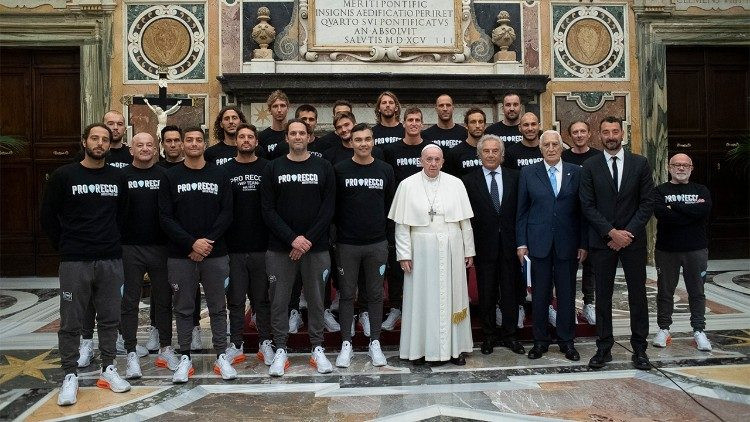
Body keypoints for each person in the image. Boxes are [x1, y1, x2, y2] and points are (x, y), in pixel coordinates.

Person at [41, 123, 131, 406]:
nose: (100, 143)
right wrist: (65, 245)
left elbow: (123, 216)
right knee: (71, 321)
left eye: (104, 139)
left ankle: (109, 368)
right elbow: (48, 216)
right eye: (94, 138)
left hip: (109, 259)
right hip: (75, 260)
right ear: (84, 142)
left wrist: (110, 240)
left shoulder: (118, 177)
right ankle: (70, 375)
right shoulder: (64, 175)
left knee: (110, 318)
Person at [158, 126, 237, 383]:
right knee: (183, 307)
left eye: (198, 140)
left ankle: (221, 356)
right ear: (182, 144)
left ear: (205, 144)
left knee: (218, 307)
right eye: (189, 140)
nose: (193, 143)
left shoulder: (220, 174)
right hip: (181, 254)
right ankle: (185, 357)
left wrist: (206, 243)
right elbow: (165, 217)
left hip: (215, 252)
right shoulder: (170, 176)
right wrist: (191, 244)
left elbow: (227, 213)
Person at [261, 119, 336, 377]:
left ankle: (317, 347)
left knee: (316, 300)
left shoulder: (323, 167)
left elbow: (328, 209)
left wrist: (306, 241)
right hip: (280, 248)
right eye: (292, 133)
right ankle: (280, 348)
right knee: (279, 301)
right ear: (286, 138)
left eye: (301, 133)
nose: (297, 137)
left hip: (316, 247)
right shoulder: (273, 167)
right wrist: (292, 239)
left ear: (309, 137)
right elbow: (268, 210)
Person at [388, 144, 475, 366]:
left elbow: (465, 222)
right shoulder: (407, 185)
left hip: (452, 247)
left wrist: (469, 250)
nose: (433, 163)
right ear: (421, 161)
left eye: (437, 159)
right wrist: (404, 254)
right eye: (429, 159)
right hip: (421, 250)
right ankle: (420, 350)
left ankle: (456, 350)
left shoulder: (456, 184)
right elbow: (402, 226)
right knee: (421, 299)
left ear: (443, 161)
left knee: (453, 298)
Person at [579, 116, 654, 371]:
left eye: (615, 131)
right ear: (599, 135)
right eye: (606, 132)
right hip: (603, 242)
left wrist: (626, 234)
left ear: (623, 134)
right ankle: (603, 348)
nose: (611, 136)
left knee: (638, 296)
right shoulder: (590, 166)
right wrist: (611, 233)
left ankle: (640, 349)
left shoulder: (640, 163)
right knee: (603, 296)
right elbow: (587, 205)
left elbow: (647, 203)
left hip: (632, 241)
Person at [517, 130, 587, 361]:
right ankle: (540, 341)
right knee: (540, 295)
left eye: (554, 144)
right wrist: (521, 243)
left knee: (567, 294)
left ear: (561, 147)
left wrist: (583, 243)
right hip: (538, 243)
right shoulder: (528, 173)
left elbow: (583, 211)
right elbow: (522, 211)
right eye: (546, 145)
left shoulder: (576, 172)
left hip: (568, 243)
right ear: (540, 149)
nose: (550, 148)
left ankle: (567, 341)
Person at [333, 123, 395, 368]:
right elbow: (334, 207)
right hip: (347, 244)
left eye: (367, 139)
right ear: (351, 142)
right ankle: (346, 343)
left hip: (377, 243)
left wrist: (388, 239)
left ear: (373, 141)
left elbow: (390, 206)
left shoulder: (385, 169)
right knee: (347, 294)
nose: (363, 144)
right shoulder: (339, 170)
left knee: (376, 294)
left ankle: (375, 342)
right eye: (358, 140)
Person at [119, 133, 176, 380]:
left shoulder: (166, 175)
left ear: (156, 149)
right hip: (129, 247)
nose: (144, 148)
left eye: (149, 145)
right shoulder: (121, 176)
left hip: (160, 247)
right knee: (130, 301)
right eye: (139, 145)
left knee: (163, 299)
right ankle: (131, 351)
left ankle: (166, 348)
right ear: (131, 150)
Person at [462, 134, 525, 356]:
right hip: (483, 245)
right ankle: (488, 336)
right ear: (479, 155)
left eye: (495, 151)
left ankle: (510, 335)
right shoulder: (468, 181)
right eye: (486, 151)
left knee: (510, 291)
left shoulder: (516, 177)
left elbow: (521, 211)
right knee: (486, 292)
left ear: (502, 154)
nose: (490, 155)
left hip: (511, 244)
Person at [222, 124, 275, 366]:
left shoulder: (268, 167)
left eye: (250, 137)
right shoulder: (224, 170)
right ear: (236, 141)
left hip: (262, 245)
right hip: (233, 246)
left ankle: (265, 342)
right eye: (241, 136)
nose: (245, 140)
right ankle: (236, 344)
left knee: (262, 299)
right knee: (235, 300)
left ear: (256, 141)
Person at [652, 153, 712, 351]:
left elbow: (703, 212)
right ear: (669, 167)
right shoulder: (660, 191)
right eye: (676, 164)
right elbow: (662, 215)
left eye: (685, 165)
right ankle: (664, 329)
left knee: (697, 291)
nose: (681, 168)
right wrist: (689, 211)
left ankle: (699, 330)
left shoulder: (701, 190)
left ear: (691, 168)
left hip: (696, 249)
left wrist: (675, 207)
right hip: (667, 250)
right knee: (665, 291)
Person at [381, 107, 433, 331]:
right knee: (397, 263)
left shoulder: (430, 149)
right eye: (410, 119)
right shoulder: (391, 150)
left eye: (417, 120)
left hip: (427, 216)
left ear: (422, 124)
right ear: (403, 123)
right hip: (400, 214)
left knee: (423, 262)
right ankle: (395, 307)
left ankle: (422, 307)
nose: (413, 123)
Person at [156, 125, 203, 351]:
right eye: (169, 141)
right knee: (165, 293)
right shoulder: (161, 172)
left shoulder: (205, 170)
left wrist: (198, 243)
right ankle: (159, 331)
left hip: (200, 244)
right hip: (168, 243)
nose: (173, 144)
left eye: (177, 140)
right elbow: (165, 214)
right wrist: (188, 242)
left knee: (192, 290)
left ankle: (195, 328)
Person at [561, 120, 599, 325]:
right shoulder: (563, 157)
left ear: (589, 134)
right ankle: (568, 305)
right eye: (575, 132)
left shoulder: (598, 157)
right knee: (569, 265)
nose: (579, 135)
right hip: (570, 218)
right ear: (569, 136)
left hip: (592, 218)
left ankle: (589, 303)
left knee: (591, 265)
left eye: (582, 131)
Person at [446, 107, 485, 177]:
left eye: (480, 122)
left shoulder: (493, 151)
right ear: (466, 126)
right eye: (473, 122)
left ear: (485, 125)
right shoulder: (455, 153)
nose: (477, 126)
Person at [259, 90, 290, 159]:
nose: (279, 110)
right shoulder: (262, 137)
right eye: (275, 106)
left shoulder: (294, 134)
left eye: (282, 106)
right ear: (269, 110)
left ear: (287, 108)